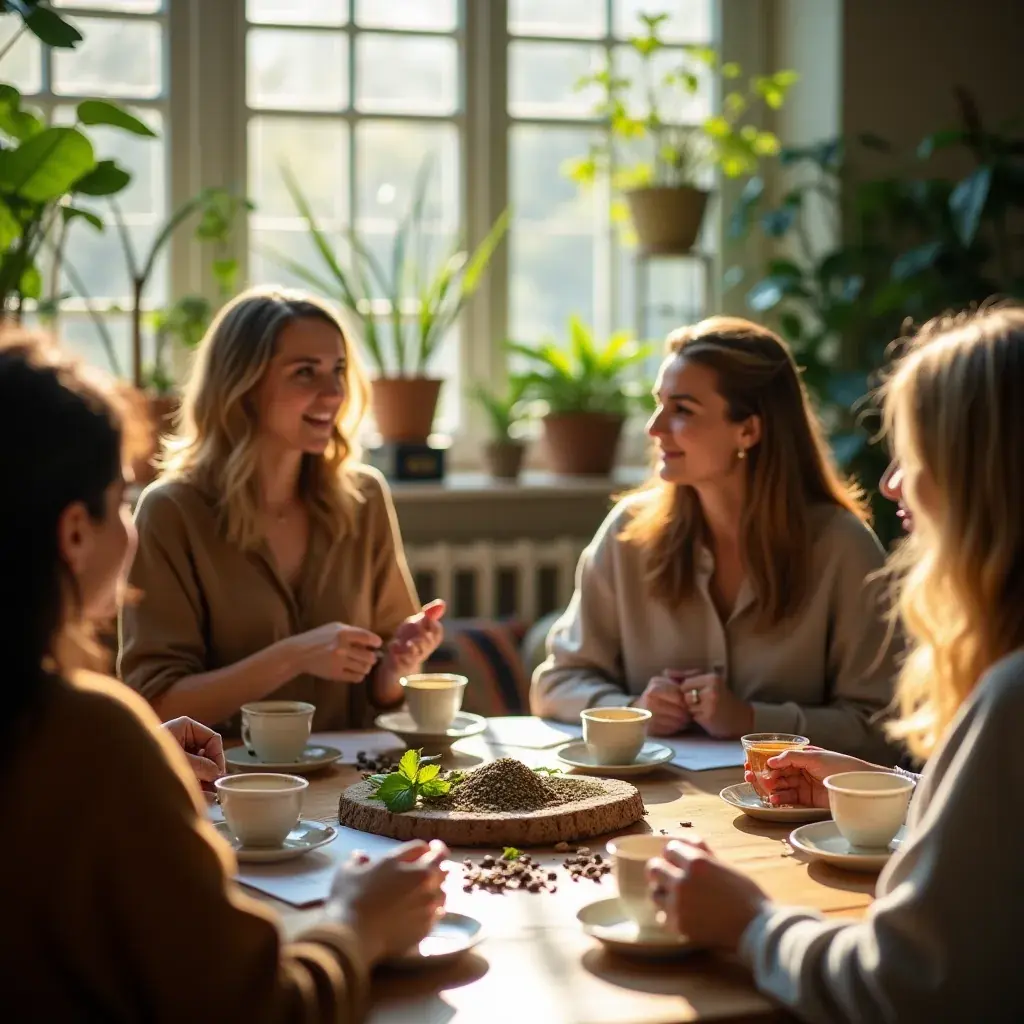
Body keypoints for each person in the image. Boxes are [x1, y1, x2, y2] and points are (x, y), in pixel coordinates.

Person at [0, 332, 449, 1020]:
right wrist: (359, 923)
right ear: (73, 533)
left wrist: (389, 667)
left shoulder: (93, 737)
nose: (132, 525)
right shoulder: (85, 733)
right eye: (120, 498)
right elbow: (255, 1006)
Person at [647, 305, 1024, 1022]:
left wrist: (752, 923)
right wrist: (896, 791)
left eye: (914, 451)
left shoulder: (1011, 695)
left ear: (981, 475)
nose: (890, 485)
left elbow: (907, 986)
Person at [531, 316, 897, 760]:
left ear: (749, 430)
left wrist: (752, 720)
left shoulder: (842, 547)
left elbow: (881, 725)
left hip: (793, 813)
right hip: (654, 808)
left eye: (682, 409)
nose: (654, 427)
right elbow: (555, 684)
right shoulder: (628, 532)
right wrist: (633, 709)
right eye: (659, 403)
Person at [120, 287, 445, 730]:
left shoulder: (364, 497)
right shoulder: (170, 512)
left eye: (339, 370)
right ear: (242, 385)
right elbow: (154, 707)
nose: (333, 392)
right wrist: (294, 656)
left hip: (350, 784)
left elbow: (386, 695)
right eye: (305, 373)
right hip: (228, 787)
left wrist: (395, 670)